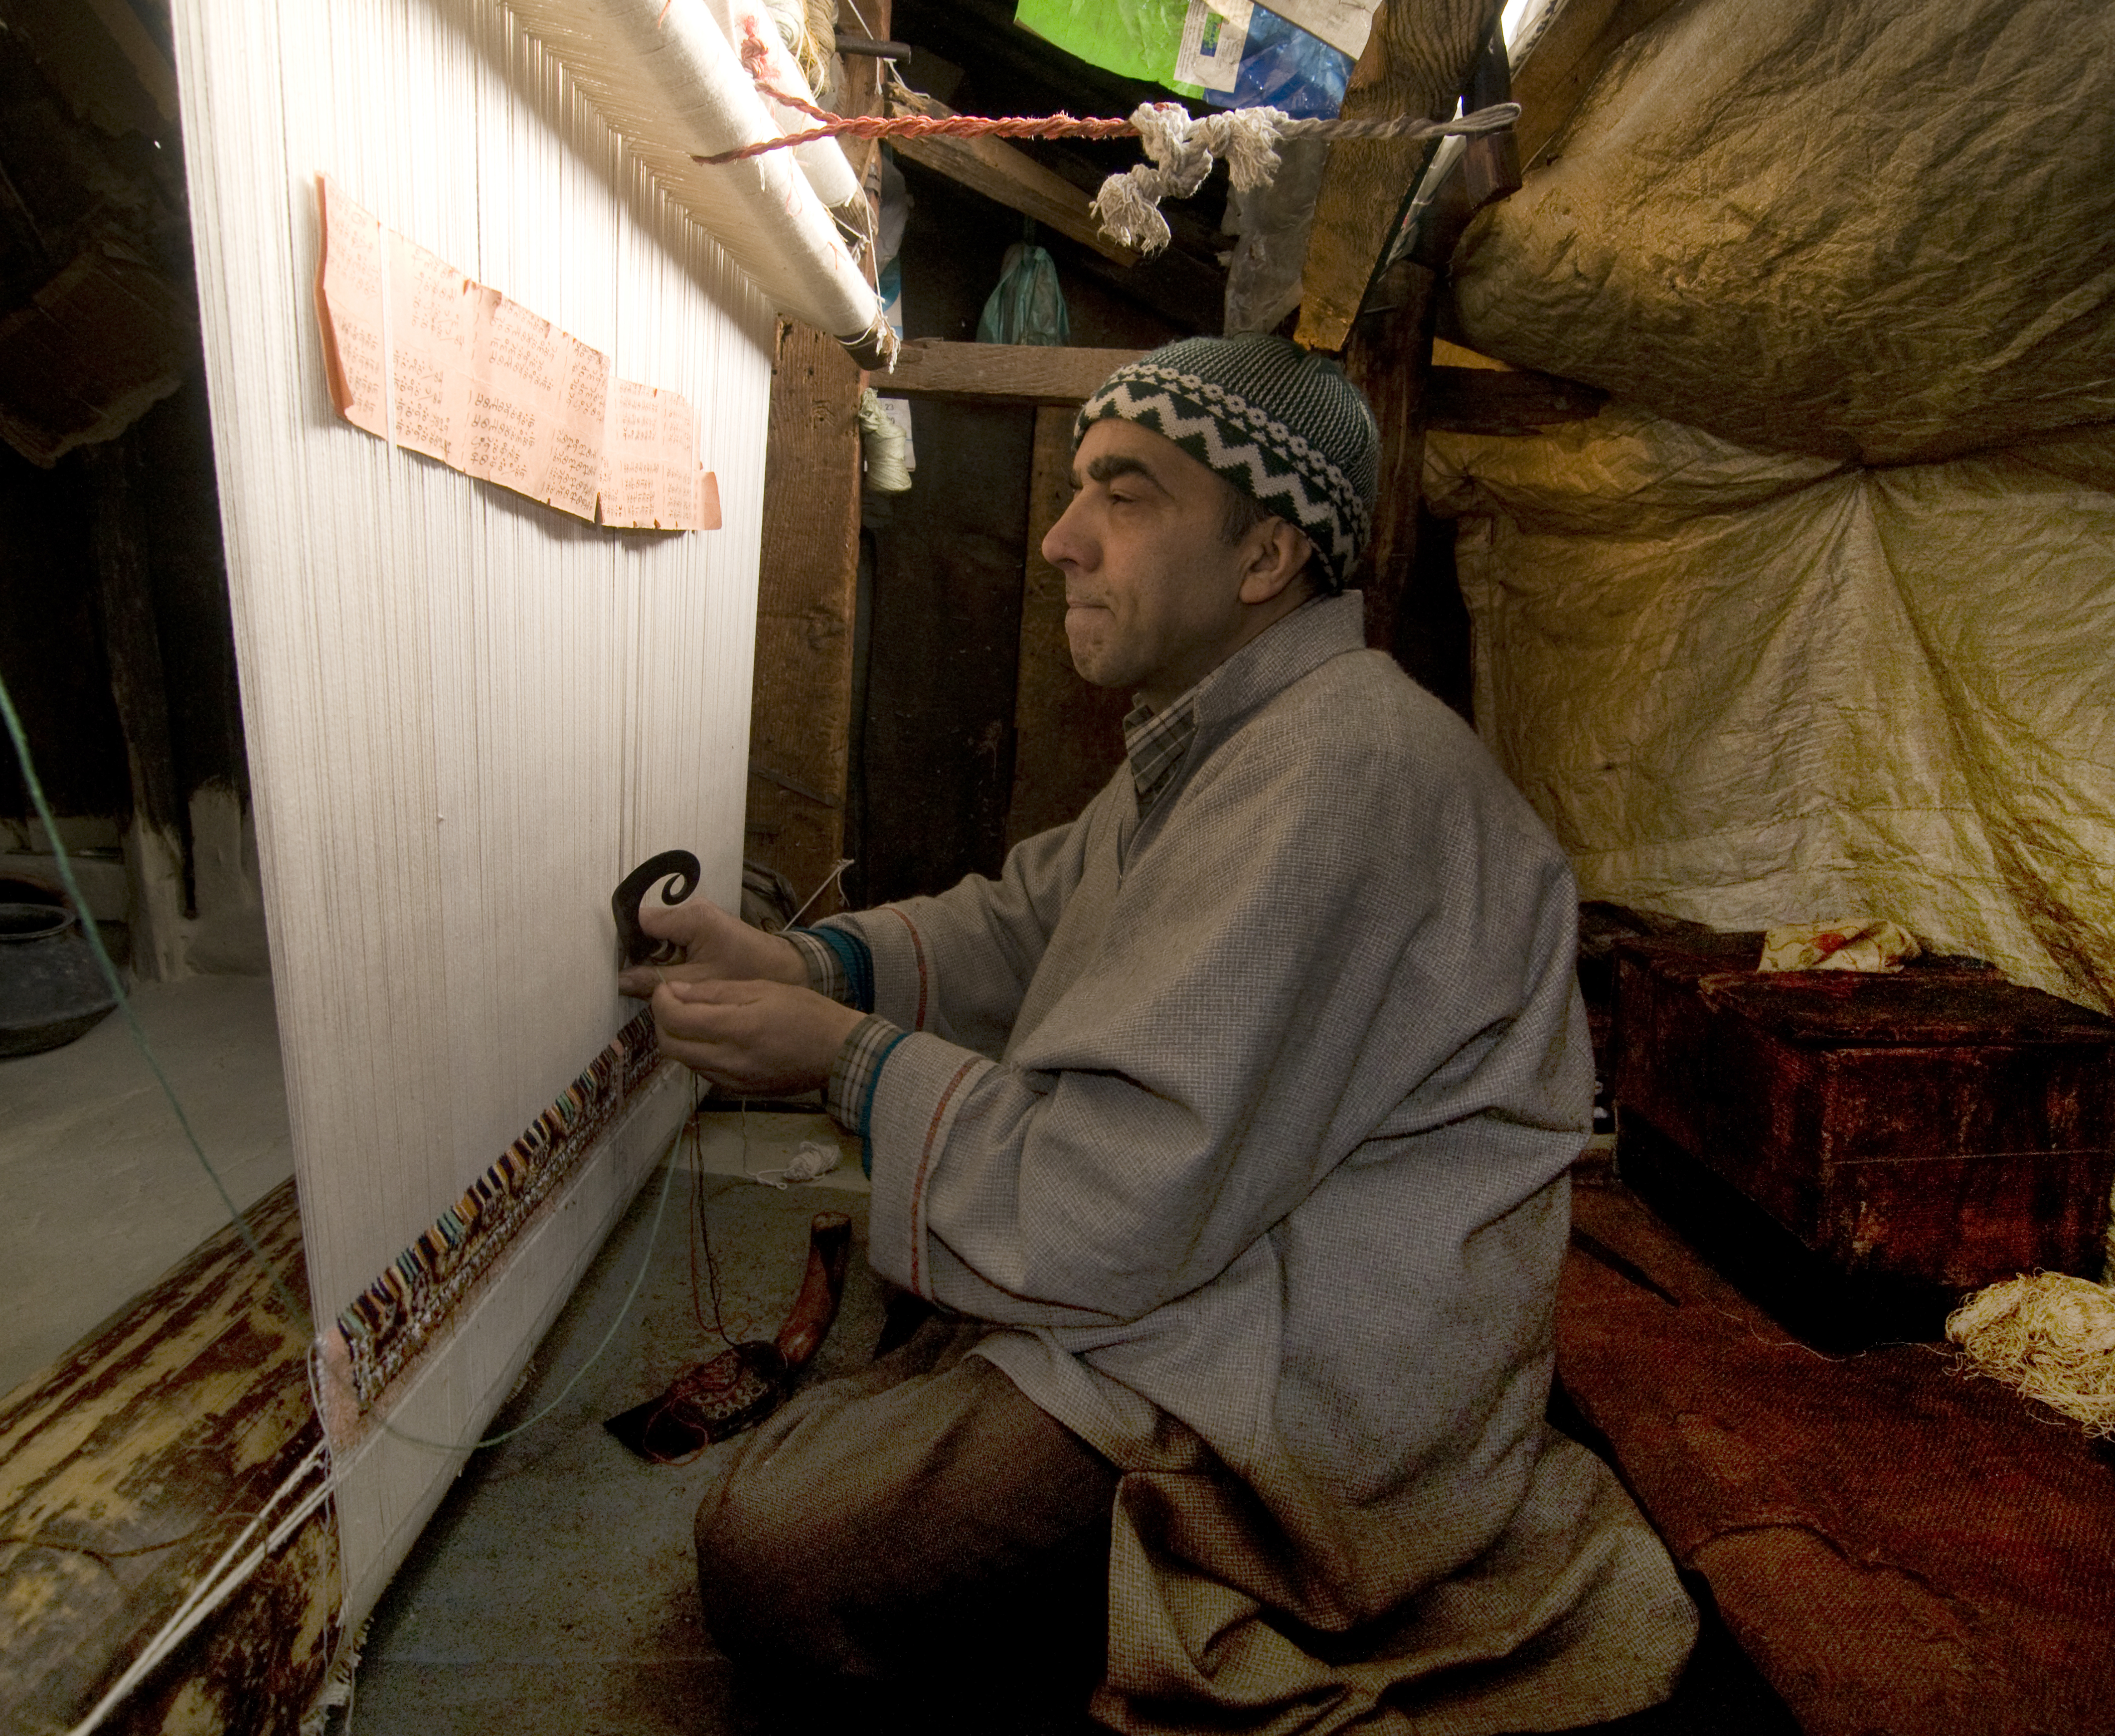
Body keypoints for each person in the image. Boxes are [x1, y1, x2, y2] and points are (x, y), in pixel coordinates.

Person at [619, 335, 1697, 1734]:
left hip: (1302, 1385)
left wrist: (839, 1055)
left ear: (1262, 559)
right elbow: (1026, 922)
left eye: (1124, 496)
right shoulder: (1230, 741)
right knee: (888, 1390)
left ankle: (1148, 1605)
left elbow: (1117, 1191)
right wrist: (797, 956)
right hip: (1210, 1276)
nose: (1064, 539)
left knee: (781, 1555)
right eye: (1079, 491)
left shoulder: (1338, 779)